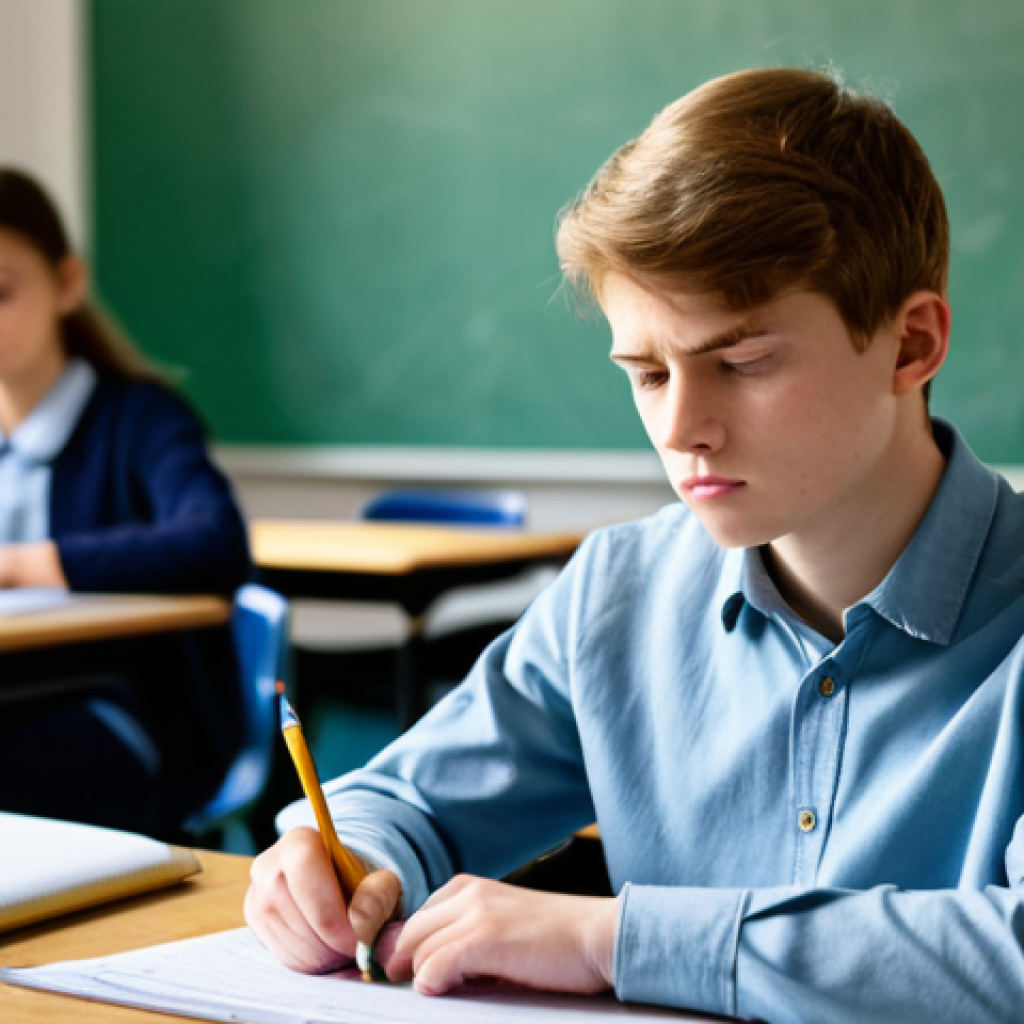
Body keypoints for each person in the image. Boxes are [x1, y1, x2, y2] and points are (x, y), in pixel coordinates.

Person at [243, 69, 1024, 1023]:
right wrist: (342, 862)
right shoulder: (621, 590)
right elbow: (405, 801)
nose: (682, 427)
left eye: (742, 363)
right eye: (648, 372)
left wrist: (610, 938)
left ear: (909, 346)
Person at [0, 168, 251, 832]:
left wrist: (21, 564)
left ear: (67, 284)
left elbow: (216, 540)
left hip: (135, 717)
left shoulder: (140, 418)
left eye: (1, 292)